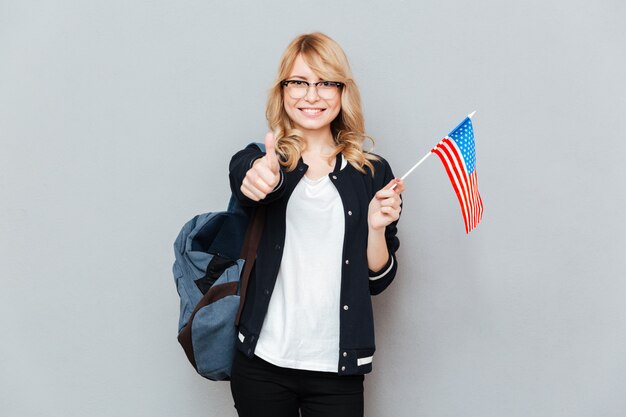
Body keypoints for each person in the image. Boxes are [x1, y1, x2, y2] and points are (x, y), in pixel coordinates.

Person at [227, 32, 404, 417]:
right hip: (262, 362)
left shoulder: (372, 173)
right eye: (299, 82)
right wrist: (259, 177)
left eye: (325, 82)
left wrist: (375, 227)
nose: (312, 95)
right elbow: (247, 181)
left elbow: (378, 281)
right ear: (283, 91)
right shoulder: (262, 159)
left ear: (342, 92)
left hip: (336, 371)